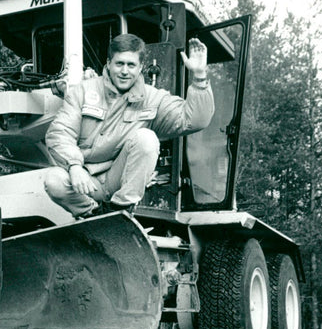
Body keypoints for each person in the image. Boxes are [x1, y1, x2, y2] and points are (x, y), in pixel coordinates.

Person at [44, 33, 214, 217]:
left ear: (141, 67)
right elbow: (60, 133)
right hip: (85, 182)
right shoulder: (83, 91)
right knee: (54, 180)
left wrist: (199, 76)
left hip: (118, 180)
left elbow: (194, 120)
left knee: (146, 138)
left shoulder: (152, 98)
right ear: (108, 63)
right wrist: (74, 166)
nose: (125, 71)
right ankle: (93, 215)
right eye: (119, 63)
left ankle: (121, 211)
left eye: (131, 65)